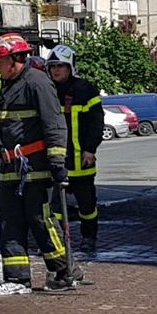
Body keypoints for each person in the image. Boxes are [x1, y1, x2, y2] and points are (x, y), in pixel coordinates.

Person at [0, 33, 77, 294]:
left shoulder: (37, 82)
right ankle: (16, 279)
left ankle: (64, 272)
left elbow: (54, 124)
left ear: (14, 59)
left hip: (35, 168)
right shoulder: (10, 84)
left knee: (40, 220)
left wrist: (57, 162)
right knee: (10, 223)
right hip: (11, 168)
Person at [46, 44, 105, 257]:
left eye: (61, 66)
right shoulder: (47, 91)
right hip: (57, 161)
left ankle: (89, 238)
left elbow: (97, 122)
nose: (56, 70)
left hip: (82, 161)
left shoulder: (85, 90)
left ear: (70, 67)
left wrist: (90, 149)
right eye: (53, 66)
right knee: (55, 208)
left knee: (87, 206)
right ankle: (58, 241)